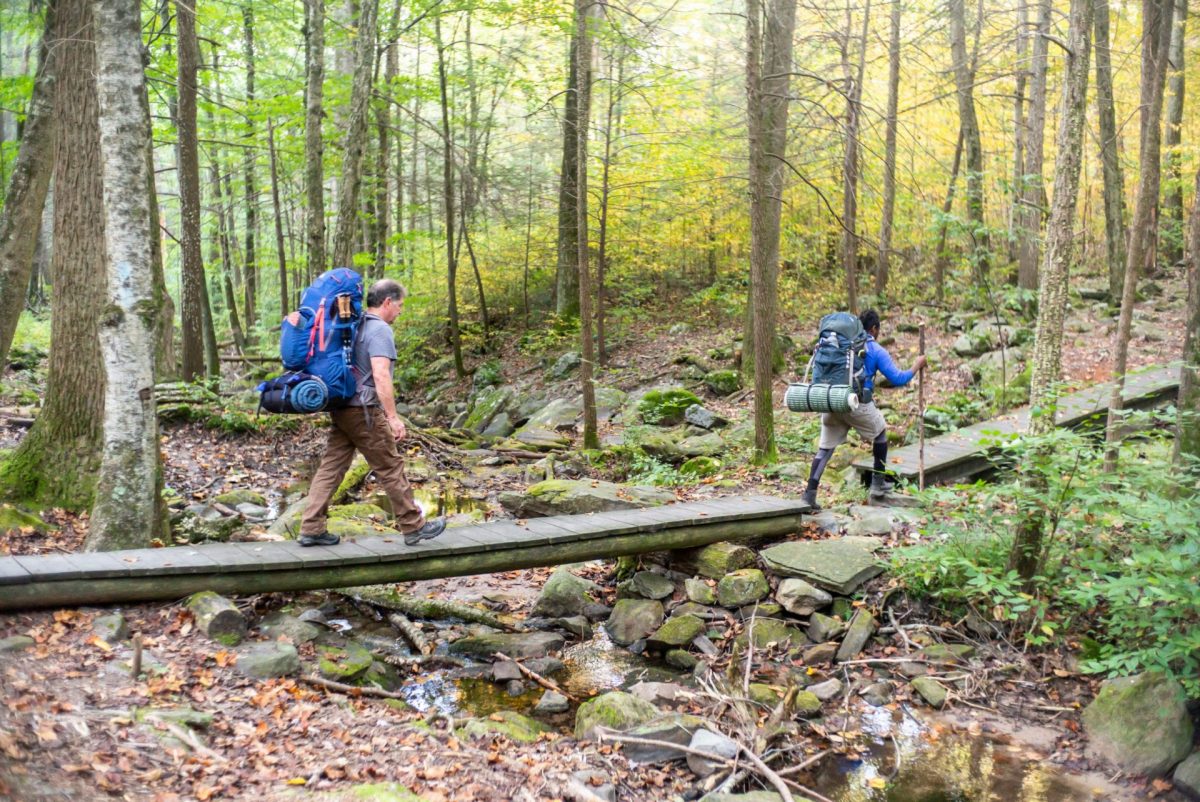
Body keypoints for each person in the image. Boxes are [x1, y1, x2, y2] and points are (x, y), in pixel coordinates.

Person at [297, 279, 446, 547]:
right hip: (364, 410)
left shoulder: (353, 325)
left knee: (331, 467)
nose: (400, 311)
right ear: (387, 302)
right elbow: (380, 374)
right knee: (390, 465)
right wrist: (392, 417)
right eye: (399, 305)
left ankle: (311, 526)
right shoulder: (380, 330)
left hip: (341, 407)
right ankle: (413, 525)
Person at [802, 309, 927, 509]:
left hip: (831, 398)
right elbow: (898, 379)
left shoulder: (843, 347)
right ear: (875, 328)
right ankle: (878, 485)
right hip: (855, 402)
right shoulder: (875, 350)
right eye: (878, 329)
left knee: (825, 449)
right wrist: (917, 365)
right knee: (880, 432)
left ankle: (809, 494)